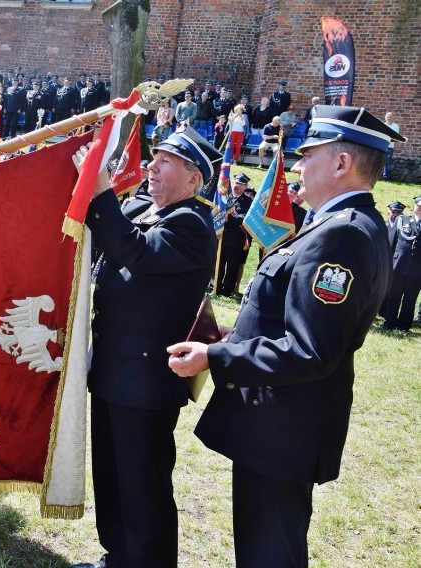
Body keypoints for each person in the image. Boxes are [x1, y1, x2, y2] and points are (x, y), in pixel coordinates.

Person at [168, 106, 405, 568]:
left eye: (307, 155)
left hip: (285, 427)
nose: (296, 166)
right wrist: (231, 336)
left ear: (341, 164)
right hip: (283, 423)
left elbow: (310, 349)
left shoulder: (342, 236)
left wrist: (216, 357)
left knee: (269, 551)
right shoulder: (342, 225)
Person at [74, 127, 222, 568]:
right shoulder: (141, 206)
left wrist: (101, 190)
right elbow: (100, 234)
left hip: (146, 379)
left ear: (194, 180)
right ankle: (119, 555)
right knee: (112, 472)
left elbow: (133, 250)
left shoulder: (192, 224)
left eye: (166, 161)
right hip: (112, 367)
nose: (153, 166)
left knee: (143, 481)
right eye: (154, 157)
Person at [382, 195, 421, 331]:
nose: (420, 208)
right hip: (398, 267)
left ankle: (404, 326)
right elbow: (391, 244)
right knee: (393, 297)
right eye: (419, 205)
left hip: (417, 272)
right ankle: (389, 323)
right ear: (414, 206)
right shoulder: (402, 220)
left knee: (410, 301)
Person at [216, 173, 252, 296]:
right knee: (218, 264)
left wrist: (228, 218)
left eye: (241, 184)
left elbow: (243, 218)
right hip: (221, 237)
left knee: (232, 267)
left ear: (246, 186)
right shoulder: (225, 197)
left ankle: (227, 290)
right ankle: (215, 286)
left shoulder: (248, 201)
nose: (237, 186)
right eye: (236, 183)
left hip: (236, 240)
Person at [383, 111, 399, 180]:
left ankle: (386, 177)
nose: (389, 118)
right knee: (380, 162)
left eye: (390, 117)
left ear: (393, 118)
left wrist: (387, 136)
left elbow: (395, 137)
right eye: (388, 116)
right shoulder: (382, 125)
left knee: (388, 163)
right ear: (385, 117)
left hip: (390, 147)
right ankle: (378, 176)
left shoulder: (396, 126)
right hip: (382, 146)